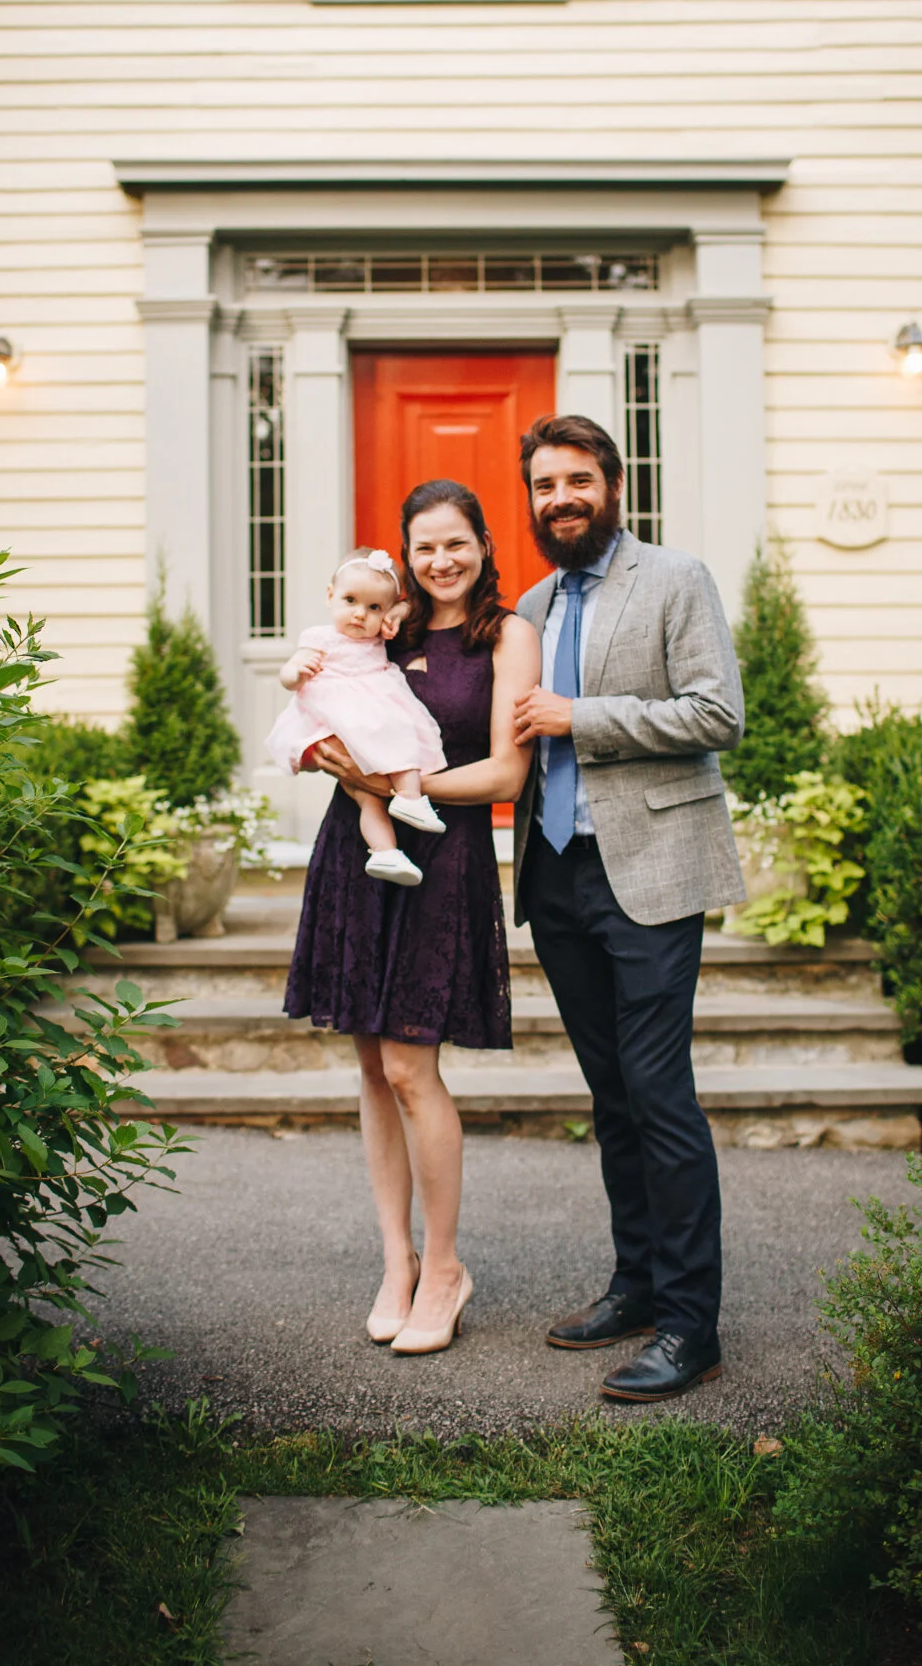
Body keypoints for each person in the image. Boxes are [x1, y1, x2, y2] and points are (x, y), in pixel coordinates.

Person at [512, 414, 745, 1403]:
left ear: (612, 484)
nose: (560, 498)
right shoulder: (530, 603)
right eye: (543, 485)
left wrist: (582, 717)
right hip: (557, 874)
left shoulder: (675, 578)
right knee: (611, 1095)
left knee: (658, 1093)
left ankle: (691, 1326)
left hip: (649, 869)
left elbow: (717, 713)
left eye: (577, 480)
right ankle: (637, 1284)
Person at [285, 481, 541, 1356]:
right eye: (424, 547)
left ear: (482, 545)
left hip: (443, 854)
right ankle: (397, 1261)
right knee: (370, 1063)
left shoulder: (505, 636)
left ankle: (445, 1268)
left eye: (456, 543)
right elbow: (320, 703)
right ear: (404, 557)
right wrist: (327, 755)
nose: (441, 560)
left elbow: (506, 774)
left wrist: (401, 784)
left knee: (408, 1066)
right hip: (358, 851)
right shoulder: (378, 625)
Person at [266, 546, 447, 887]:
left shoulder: (380, 635)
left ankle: (393, 833)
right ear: (330, 596)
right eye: (350, 600)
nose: (360, 614)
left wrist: (399, 609)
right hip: (341, 720)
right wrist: (296, 672)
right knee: (387, 760)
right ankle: (398, 821)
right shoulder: (320, 638)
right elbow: (288, 676)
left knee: (387, 768)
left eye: (374, 607)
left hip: (369, 722)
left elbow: (415, 604)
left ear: (387, 613)